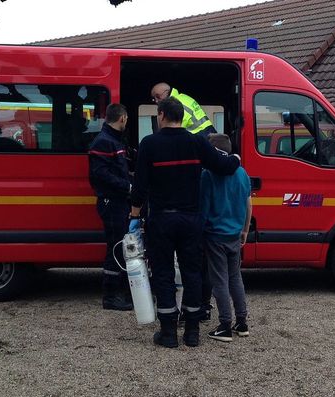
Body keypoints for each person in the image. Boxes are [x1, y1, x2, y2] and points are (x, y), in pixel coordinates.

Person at [130, 97, 240, 348]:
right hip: (191, 220)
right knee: (192, 273)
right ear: (182, 117)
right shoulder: (196, 142)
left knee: (164, 273)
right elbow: (223, 165)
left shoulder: (149, 144)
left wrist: (135, 216)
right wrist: (236, 159)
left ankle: (168, 332)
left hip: (161, 220)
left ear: (161, 116)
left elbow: (140, 187)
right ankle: (192, 332)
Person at [200, 134, 252, 342]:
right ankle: (242, 321)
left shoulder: (208, 175)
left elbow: (204, 208)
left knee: (219, 280)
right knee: (235, 277)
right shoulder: (242, 173)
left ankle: (224, 325)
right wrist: (245, 230)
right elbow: (249, 205)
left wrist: (198, 232)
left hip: (215, 235)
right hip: (234, 234)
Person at [88, 103, 133, 311]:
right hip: (111, 201)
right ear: (122, 118)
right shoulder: (104, 142)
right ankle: (110, 296)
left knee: (120, 247)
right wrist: (128, 186)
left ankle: (120, 293)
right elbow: (101, 174)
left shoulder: (113, 140)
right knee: (115, 248)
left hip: (118, 201)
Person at [150, 82, 217, 137]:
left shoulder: (175, 103)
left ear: (166, 92)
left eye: (158, 96)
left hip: (202, 134)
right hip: (206, 132)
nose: (156, 100)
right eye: (154, 98)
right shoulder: (183, 97)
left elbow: (179, 124)